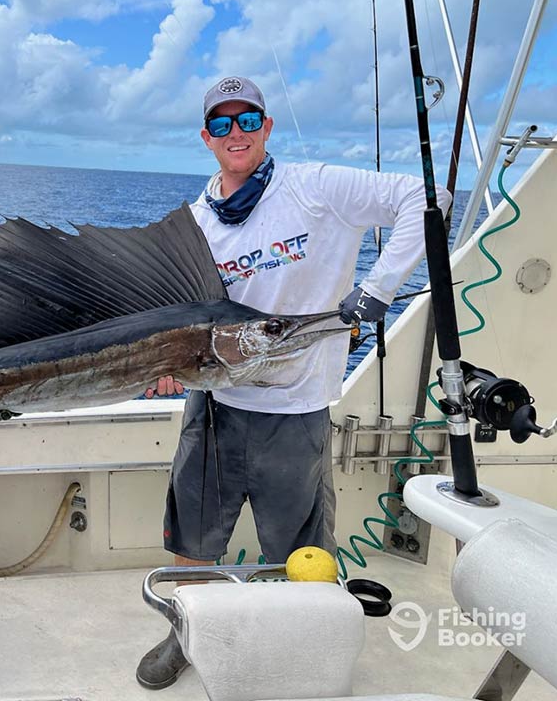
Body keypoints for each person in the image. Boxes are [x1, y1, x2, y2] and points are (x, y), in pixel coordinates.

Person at [136, 75, 451, 690]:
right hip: (214, 403)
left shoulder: (316, 187)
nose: (236, 133)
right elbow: (185, 319)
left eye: (247, 119)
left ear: (267, 126)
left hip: (297, 409)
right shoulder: (196, 221)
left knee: (298, 550)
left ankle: (301, 646)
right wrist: (164, 364)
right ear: (206, 136)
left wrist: (378, 287)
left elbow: (425, 198)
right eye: (222, 124)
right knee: (196, 534)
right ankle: (187, 632)